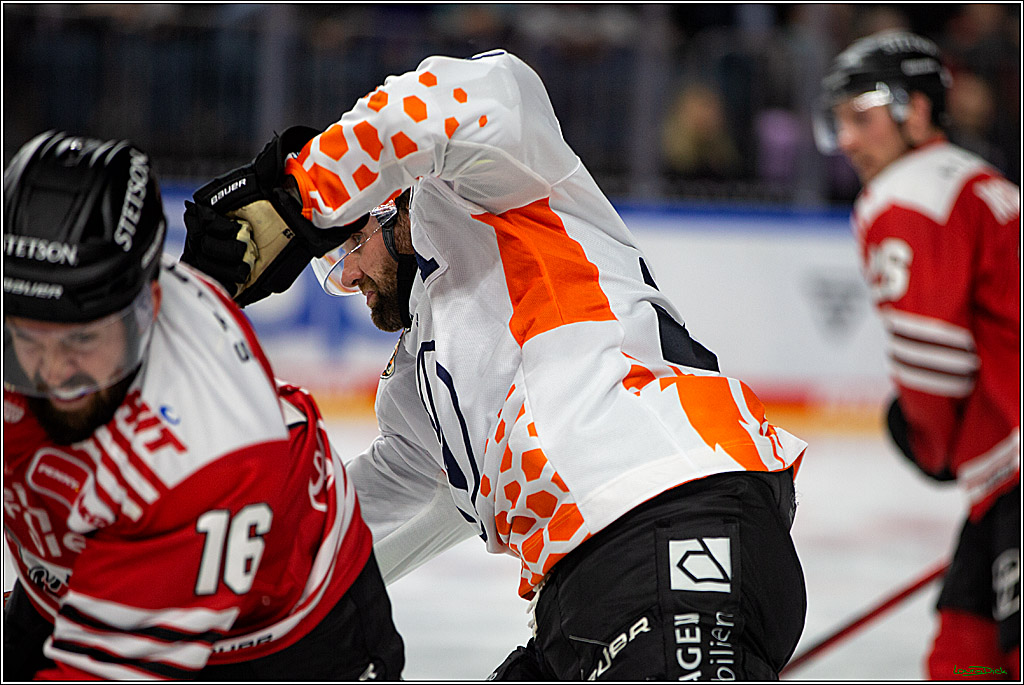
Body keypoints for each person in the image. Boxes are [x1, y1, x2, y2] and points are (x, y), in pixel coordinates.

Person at [181, 49, 809, 680]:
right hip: (586, 588)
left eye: (345, 251)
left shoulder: (486, 191)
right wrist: (209, 587)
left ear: (388, 202)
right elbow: (371, 515)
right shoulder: (423, 388)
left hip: (667, 513)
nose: (350, 280)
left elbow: (475, 98)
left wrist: (299, 195)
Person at [2, 131, 405, 680]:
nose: (53, 375)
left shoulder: (212, 447)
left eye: (81, 340)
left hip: (288, 635)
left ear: (149, 303)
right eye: (26, 339)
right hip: (81, 576)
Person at [815, 30, 1020, 679]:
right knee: (962, 654)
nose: (846, 141)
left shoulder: (902, 195)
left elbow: (933, 357)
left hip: (1013, 466)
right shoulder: (979, 178)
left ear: (919, 111)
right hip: (1004, 472)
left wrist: (931, 442)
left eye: (861, 117)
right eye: (839, 121)